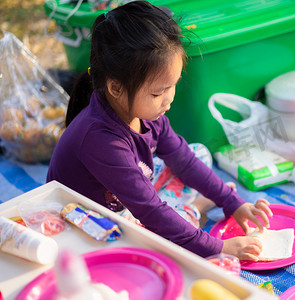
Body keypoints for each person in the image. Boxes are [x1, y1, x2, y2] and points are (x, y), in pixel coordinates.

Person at [47, 1, 272, 260]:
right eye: (158, 92)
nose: (169, 99)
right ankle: (196, 209)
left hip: (126, 196)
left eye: (172, 85)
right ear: (116, 88)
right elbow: (151, 211)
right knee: (146, 240)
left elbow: (184, 161)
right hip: (87, 220)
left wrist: (232, 201)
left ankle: (193, 211)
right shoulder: (100, 139)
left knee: (197, 154)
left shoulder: (147, 112)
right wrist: (217, 248)